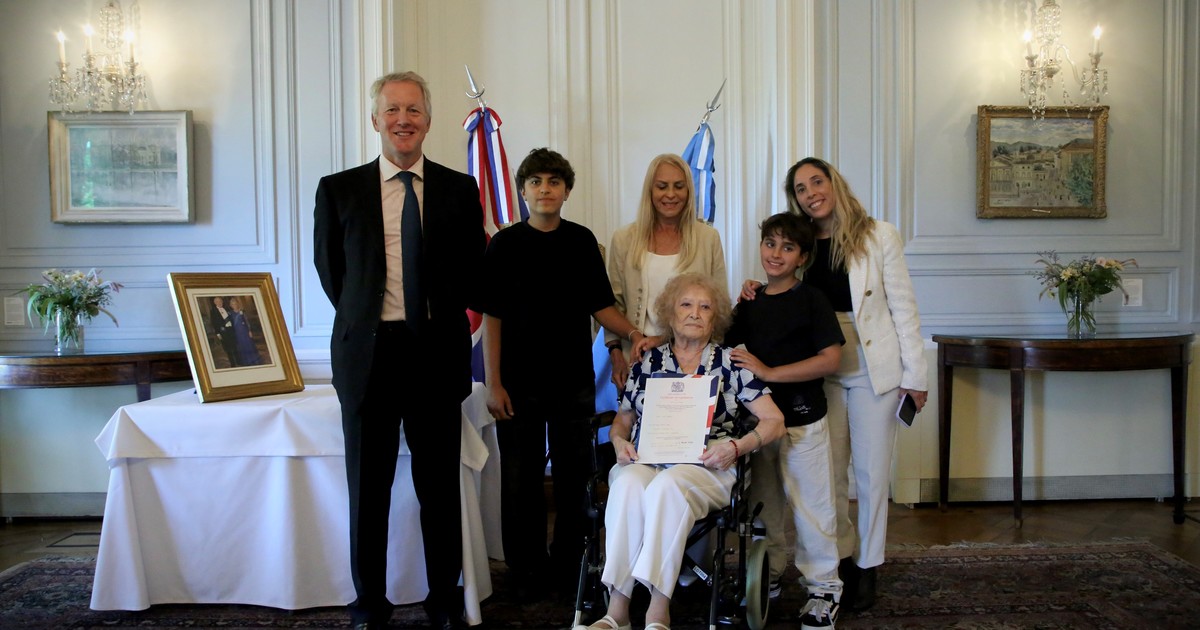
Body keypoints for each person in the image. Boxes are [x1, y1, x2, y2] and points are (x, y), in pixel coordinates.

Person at [313, 71, 487, 630]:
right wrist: (372, 318)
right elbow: (333, 275)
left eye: (413, 110)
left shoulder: (459, 189)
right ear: (375, 120)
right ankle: (369, 604)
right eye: (392, 110)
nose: (403, 120)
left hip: (435, 355)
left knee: (438, 489)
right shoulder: (338, 190)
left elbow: (471, 271)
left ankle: (443, 601)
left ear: (428, 121)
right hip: (369, 358)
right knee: (369, 491)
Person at [741, 157, 928, 611]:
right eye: (801, 189)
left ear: (833, 182)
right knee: (828, 472)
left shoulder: (878, 234)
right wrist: (753, 286)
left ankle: (868, 563)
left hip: (871, 363)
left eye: (816, 182)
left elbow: (903, 307)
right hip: (819, 365)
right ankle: (840, 557)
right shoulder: (801, 240)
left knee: (871, 472)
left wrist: (915, 375)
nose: (811, 194)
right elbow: (786, 289)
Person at [475, 148, 646, 602]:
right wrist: (494, 383)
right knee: (521, 480)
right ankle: (525, 569)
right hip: (517, 383)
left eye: (554, 181)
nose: (545, 189)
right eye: (536, 182)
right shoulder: (504, 245)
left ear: (567, 191)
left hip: (572, 382)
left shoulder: (581, 241)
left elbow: (601, 305)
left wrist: (633, 332)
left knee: (575, 478)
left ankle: (573, 564)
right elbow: (492, 316)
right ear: (523, 191)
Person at [584, 272, 786, 630]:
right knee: (626, 483)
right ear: (670, 313)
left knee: (668, 485)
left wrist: (737, 447)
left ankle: (657, 610)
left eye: (705, 307)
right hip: (648, 458)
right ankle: (617, 611)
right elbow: (622, 420)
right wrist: (618, 442)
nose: (695, 313)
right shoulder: (647, 362)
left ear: (715, 317)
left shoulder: (731, 362)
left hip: (709, 464)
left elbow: (775, 421)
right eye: (686, 304)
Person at [725, 213, 845, 630]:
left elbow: (831, 359)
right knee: (763, 508)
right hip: (759, 427)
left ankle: (823, 589)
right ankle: (769, 574)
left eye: (788, 247)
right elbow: (726, 348)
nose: (776, 254)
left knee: (813, 509)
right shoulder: (750, 300)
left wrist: (770, 372)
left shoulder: (812, 299)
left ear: (802, 257)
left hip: (803, 421)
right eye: (770, 243)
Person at [604, 153, 728, 389]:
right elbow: (613, 304)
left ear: (688, 191)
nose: (670, 194)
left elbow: (719, 308)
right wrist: (616, 353)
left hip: (694, 358)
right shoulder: (624, 239)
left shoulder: (708, 238)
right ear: (650, 191)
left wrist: (665, 340)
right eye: (662, 186)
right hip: (638, 357)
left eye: (678, 186)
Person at [227, 296, 262, 366]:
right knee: (242, 347)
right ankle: (246, 361)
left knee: (249, 345)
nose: (234, 305)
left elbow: (247, 321)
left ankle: (254, 359)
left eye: (235, 303)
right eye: (232, 304)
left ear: (237, 304)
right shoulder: (229, 314)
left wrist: (249, 331)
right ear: (230, 305)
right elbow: (229, 324)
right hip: (237, 333)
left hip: (245, 331)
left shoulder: (242, 311)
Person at [208, 296, 239, 368]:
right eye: (218, 302)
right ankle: (233, 363)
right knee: (228, 348)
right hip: (223, 332)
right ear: (215, 303)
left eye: (220, 301)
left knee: (234, 345)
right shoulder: (213, 311)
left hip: (231, 330)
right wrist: (218, 333)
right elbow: (214, 323)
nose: (220, 303)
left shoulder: (227, 308)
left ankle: (238, 360)